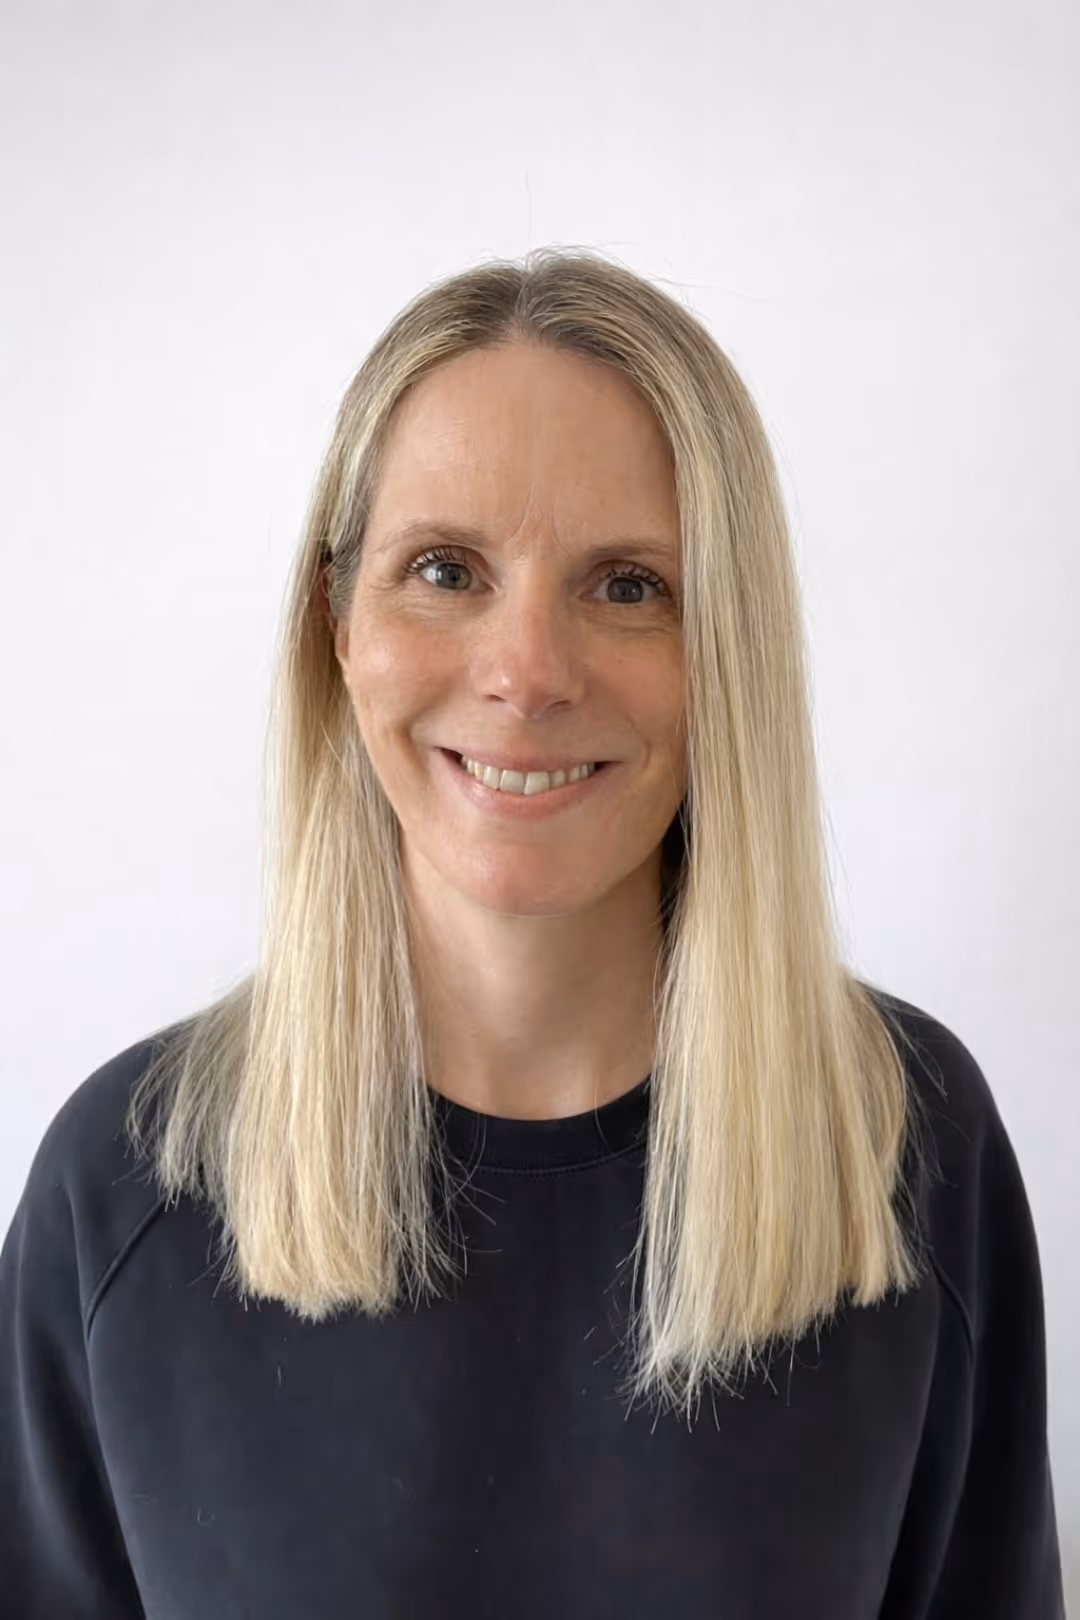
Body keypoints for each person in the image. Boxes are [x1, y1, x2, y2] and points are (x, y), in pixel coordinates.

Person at [0, 248, 1065, 1618]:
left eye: (628, 586)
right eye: (445, 569)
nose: (525, 673)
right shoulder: (123, 1189)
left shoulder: (902, 1148)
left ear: (727, 651)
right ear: (337, 624)